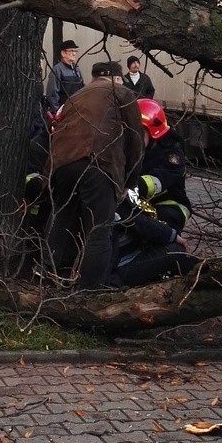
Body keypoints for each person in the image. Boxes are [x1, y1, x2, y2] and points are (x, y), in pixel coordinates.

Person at [45, 62, 144, 289]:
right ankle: (89, 289)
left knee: (61, 216)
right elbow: (135, 140)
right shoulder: (122, 93)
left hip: (62, 163)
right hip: (98, 162)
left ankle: (46, 271)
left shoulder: (77, 95)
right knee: (99, 230)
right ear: (117, 78)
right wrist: (129, 181)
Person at [111, 99, 197, 286]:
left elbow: (156, 182)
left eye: (137, 132)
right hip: (140, 203)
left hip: (169, 206)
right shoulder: (132, 148)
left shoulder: (172, 156)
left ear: (152, 132)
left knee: (154, 227)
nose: (131, 136)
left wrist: (128, 186)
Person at [45, 40, 84, 113]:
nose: (74, 53)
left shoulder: (77, 70)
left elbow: (82, 89)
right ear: (63, 53)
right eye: (72, 51)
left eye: (75, 51)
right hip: (63, 111)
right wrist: (57, 111)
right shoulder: (57, 70)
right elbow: (52, 93)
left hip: (77, 110)